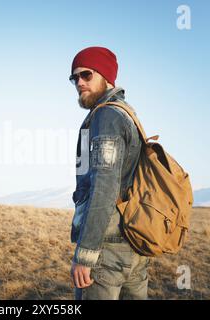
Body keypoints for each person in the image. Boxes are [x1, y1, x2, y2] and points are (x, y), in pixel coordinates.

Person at [69, 46, 150, 300]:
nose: (79, 83)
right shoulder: (128, 114)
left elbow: (103, 187)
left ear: (106, 77)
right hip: (135, 247)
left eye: (87, 75)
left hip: (107, 252)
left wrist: (86, 253)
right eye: (74, 78)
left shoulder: (107, 116)